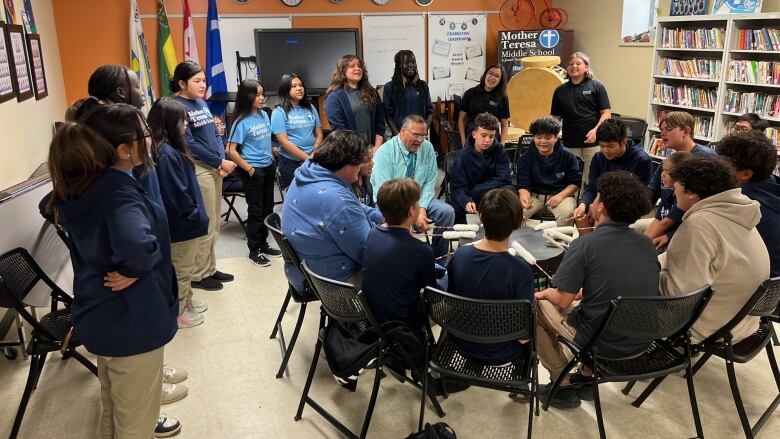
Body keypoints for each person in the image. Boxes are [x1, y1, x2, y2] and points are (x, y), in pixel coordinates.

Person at [48, 104, 180, 438]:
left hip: (101, 313)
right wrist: (137, 267)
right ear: (123, 150)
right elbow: (136, 243)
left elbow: (47, 207)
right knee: (136, 421)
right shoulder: (119, 194)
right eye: (145, 134)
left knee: (115, 408)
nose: (150, 140)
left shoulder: (86, 183)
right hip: (132, 321)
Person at [535, 171, 659, 409]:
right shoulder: (646, 242)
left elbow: (561, 300)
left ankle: (561, 384)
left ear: (601, 206)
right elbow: (615, 282)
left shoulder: (584, 245)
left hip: (603, 342)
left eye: (595, 198)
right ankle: (587, 376)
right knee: (588, 304)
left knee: (536, 307)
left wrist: (544, 294)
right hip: (642, 341)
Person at [660, 156, 770, 343]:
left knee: (618, 290)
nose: (673, 189)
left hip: (707, 326)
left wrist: (648, 270)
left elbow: (679, 295)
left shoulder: (700, 224)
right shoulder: (738, 213)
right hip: (742, 321)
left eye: (677, 183)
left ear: (692, 192)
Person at [446, 188, 534, 365]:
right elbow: (523, 338)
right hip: (503, 353)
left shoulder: (459, 256)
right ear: (517, 222)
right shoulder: (521, 271)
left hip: (461, 345)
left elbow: (451, 304)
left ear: (480, 218)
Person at [282, 130, 383, 283]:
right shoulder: (339, 201)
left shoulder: (307, 174)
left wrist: (379, 216)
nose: (363, 167)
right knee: (403, 273)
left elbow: (354, 206)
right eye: (361, 162)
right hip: (334, 285)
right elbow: (371, 256)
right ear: (347, 164)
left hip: (304, 271)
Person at [172, 61, 236, 291]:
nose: (203, 85)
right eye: (197, 81)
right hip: (199, 168)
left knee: (216, 222)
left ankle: (210, 268)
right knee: (206, 222)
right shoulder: (177, 106)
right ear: (181, 83)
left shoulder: (201, 102)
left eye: (204, 80)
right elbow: (189, 143)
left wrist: (221, 160)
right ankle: (198, 275)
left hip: (216, 166)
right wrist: (219, 161)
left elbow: (216, 133)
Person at [147, 97, 209, 329]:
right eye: (182, 120)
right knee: (182, 271)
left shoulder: (171, 148)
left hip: (187, 223)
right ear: (169, 123)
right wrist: (194, 214)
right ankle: (179, 314)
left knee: (186, 267)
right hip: (182, 226)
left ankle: (188, 302)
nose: (186, 124)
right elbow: (176, 196)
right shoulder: (165, 154)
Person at [371, 115, 455, 258]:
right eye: (416, 135)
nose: (420, 140)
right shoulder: (384, 153)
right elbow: (383, 193)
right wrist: (412, 214)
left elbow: (430, 181)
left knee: (447, 212)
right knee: (397, 222)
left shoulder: (427, 148)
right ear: (403, 131)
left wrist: (421, 208)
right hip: (391, 204)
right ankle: (400, 258)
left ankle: (437, 260)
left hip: (418, 201)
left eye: (423, 135)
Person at [363, 179, 435, 330]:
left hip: (374, 316)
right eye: (417, 203)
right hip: (402, 324)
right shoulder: (421, 250)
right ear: (411, 211)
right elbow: (430, 293)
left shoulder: (373, 233)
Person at [226, 79, 283, 267]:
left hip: (268, 166)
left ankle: (264, 244)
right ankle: (254, 250)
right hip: (253, 171)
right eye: (257, 95)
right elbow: (231, 151)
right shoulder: (240, 122)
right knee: (256, 212)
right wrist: (249, 169)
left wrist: (272, 153)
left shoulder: (264, 115)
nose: (261, 98)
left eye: (262, 94)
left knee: (268, 209)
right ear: (247, 96)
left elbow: (265, 140)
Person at [716, 132, 779, 277]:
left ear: (745, 174)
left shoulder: (743, 207)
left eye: (721, 164)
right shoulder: (771, 189)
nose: (715, 167)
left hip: (746, 286)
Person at [573, 118, 651, 221]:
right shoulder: (598, 157)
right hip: (604, 203)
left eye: (610, 146)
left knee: (603, 219)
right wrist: (583, 204)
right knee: (580, 216)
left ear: (624, 141)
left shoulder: (641, 160)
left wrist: (601, 206)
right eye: (602, 146)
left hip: (628, 206)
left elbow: (638, 196)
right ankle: (591, 236)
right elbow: (592, 187)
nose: (606, 151)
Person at [550, 52, 612, 183]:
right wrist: (554, 136)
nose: (574, 66)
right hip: (570, 142)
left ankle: (589, 203)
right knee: (573, 177)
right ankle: (574, 202)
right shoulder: (560, 91)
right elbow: (556, 118)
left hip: (593, 141)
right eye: (571, 64)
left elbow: (606, 113)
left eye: (578, 63)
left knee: (593, 177)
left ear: (586, 67)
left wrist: (596, 131)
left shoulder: (597, 86)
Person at [516, 116, 582, 224]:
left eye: (548, 138)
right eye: (538, 137)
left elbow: (575, 183)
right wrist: (524, 199)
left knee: (567, 213)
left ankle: (559, 240)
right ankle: (517, 240)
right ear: (533, 137)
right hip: (534, 197)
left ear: (556, 138)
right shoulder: (525, 157)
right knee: (515, 212)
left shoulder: (568, 156)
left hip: (561, 196)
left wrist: (559, 196)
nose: (543, 141)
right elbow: (524, 184)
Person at [449, 112, 513, 225]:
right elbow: (457, 187)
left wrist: (477, 190)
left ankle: (501, 234)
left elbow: (504, 178)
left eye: (491, 136)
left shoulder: (499, 150)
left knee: (509, 191)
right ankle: (463, 238)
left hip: (489, 194)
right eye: (483, 135)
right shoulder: (462, 156)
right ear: (474, 134)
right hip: (469, 196)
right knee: (455, 206)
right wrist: (466, 201)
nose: (487, 140)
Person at [272, 73, 323, 189]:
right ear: (285, 90)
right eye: (293, 86)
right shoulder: (279, 112)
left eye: (301, 85)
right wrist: (306, 158)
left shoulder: (310, 107)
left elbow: (319, 133)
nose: (299, 88)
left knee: (315, 193)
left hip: (313, 158)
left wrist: (314, 152)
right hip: (290, 162)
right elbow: (284, 142)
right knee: (296, 198)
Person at [324, 55, 385, 150]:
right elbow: (339, 132)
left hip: (374, 150)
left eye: (359, 66)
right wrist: (361, 153)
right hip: (351, 153)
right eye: (352, 66)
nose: (357, 69)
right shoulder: (334, 97)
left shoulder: (372, 93)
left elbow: (380, 123)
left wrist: (377, 148)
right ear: (342, 71)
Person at [642, 151, 692, 251]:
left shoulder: (683, 198)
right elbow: (658, 220)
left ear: (679, 175)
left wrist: (641, 245)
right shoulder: (667, 191)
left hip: (678, 237)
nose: (662, 175)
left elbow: (666, 223)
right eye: (662, 170)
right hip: (665, 231)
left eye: (667, 172)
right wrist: (642, 240)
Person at [382, 50, 433, 135]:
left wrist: (423, 132)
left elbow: (430, 112)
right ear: (399, 65)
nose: (411, 65)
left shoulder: (423, 86)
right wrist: (399, 137)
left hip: (420, 137)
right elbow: (388, 116)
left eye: (413, 62)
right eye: (406, 63)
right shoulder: (390, 87)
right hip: (399, 138)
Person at [458, 65, 510, 145]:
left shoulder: (502, 98)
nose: (492, 77)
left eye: (497, 76)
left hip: (492, 136)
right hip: (472, 135)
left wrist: (502, 145)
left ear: (500, 80)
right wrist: (463, 141)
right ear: (485, 75)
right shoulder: (470, 93)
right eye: (490, 73)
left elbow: (504, 124)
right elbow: (462, 119)